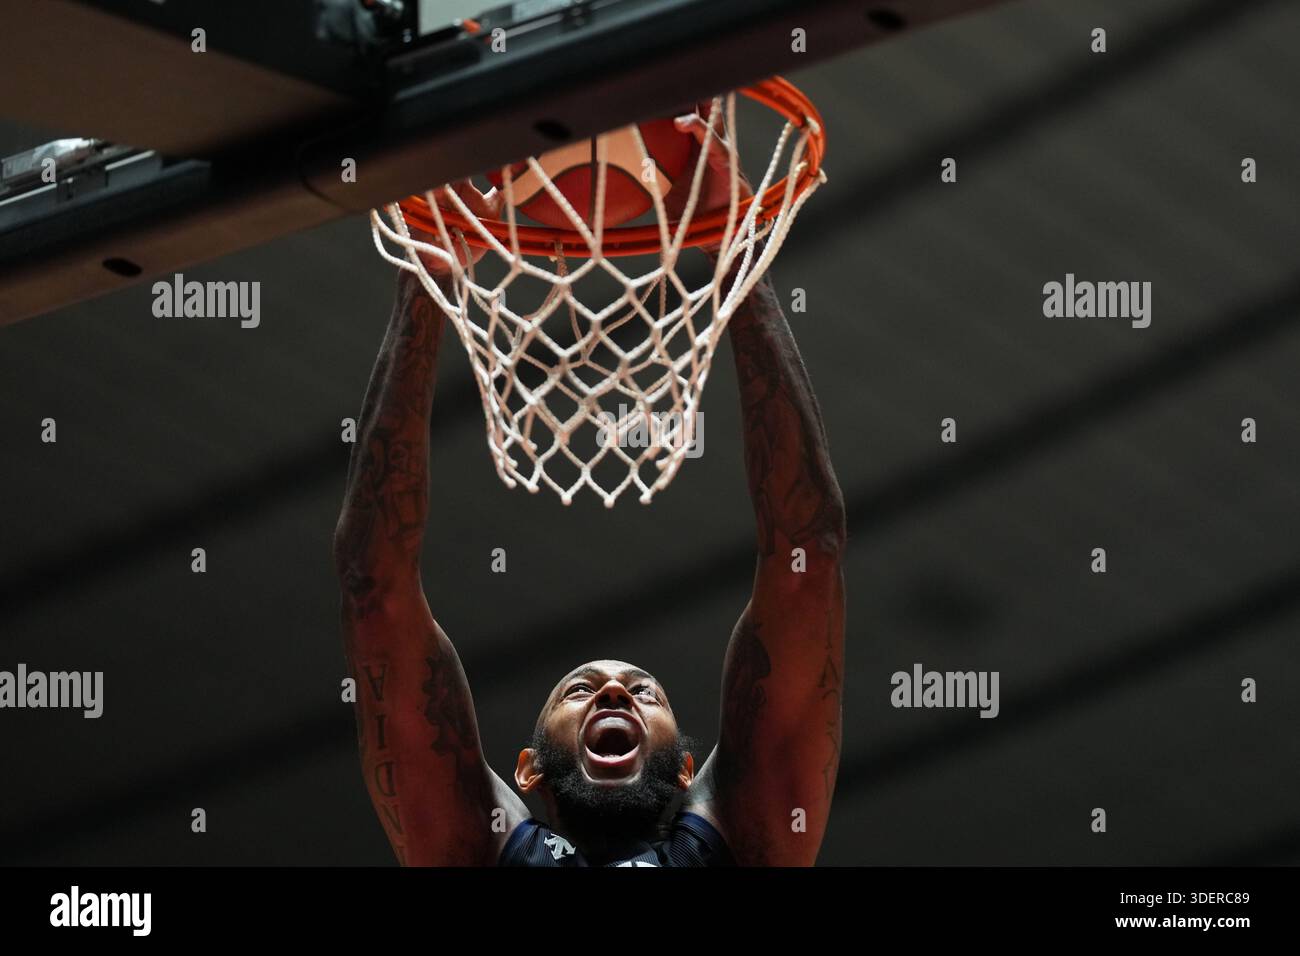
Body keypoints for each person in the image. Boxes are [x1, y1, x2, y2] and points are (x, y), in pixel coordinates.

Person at [332, 104, 846, 866]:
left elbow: (812, 555)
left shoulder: (743, 841)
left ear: (683, 768)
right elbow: (373, 587)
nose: (612, 692)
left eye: (641, 693)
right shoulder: (482, 846)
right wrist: (429, 284)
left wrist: (737, 256)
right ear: (529, 768)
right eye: (580, 692)